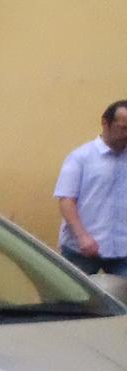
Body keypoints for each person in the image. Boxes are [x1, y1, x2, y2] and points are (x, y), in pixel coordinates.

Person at [52, 100, 127, 279]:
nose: (126, 134)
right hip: (82, 249)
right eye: (123, 128)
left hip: (123, 250)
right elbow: (66, 200)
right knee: (73, 301)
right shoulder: (80, 157)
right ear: (105, 123)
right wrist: (82, 236)